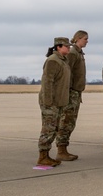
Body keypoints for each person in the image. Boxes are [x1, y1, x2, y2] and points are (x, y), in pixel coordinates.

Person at [37, 37, 71, 167]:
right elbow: (47, 83)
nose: (68, 48)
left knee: (54, 128)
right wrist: (48, 102)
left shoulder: (63, 61)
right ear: (58, 47)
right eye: (66, 46)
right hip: (51, 102)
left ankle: (46, 155)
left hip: (59, 101)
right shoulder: (53, 61)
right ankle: (42, 156)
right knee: (48, 129)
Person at [54, 30, 88, 161]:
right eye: (85, 38)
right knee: (66, 121)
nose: (87, 41)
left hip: (76, 92)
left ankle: (63, 148)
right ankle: (61, 150)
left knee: (70, 122)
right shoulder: (73, 53)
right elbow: (67, 72)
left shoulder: (79, 53)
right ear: (78, 38)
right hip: (71, 92)